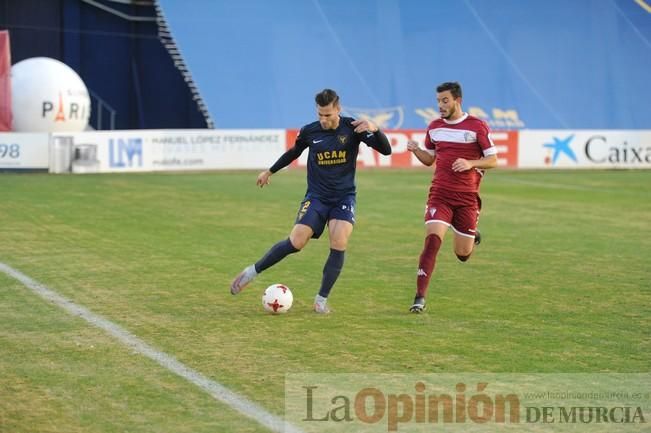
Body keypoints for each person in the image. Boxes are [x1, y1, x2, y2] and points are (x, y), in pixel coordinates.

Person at [230, 88, 392, 313]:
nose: (324, 120)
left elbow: (386, 150)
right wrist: (270, 171)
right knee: (296, 241)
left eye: (328, 115)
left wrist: (376, 129)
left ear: (338, 109)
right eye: (320, 115)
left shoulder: (354, 128)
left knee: (339, 241)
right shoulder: (309, 131)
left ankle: (321, 300)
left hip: (343, 197)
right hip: (316, 197)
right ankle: (251, 272)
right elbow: (293, 152)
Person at [407, 81, 497, 313]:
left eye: (445, 100)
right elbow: (430, 159)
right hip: (440, 195)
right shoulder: (435, 127)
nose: (440, 105)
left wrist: (471, 163)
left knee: (463, 254)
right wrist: (416, 149)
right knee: (433, 240)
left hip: (467, 198)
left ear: (458, 100)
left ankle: (471, 234)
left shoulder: (477, 126)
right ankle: (419, 297)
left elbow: (493, 160)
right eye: (438, 101)